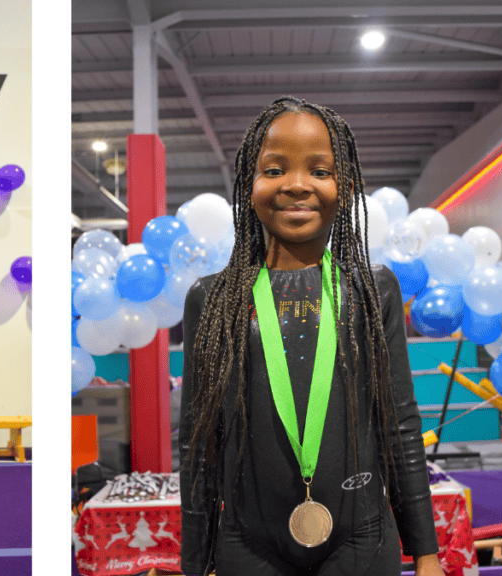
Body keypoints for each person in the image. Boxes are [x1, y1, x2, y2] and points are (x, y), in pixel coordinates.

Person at [178, 97, 444, 576]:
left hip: (360, 539)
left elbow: (399, 427)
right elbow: (200, 447)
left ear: (344, 186)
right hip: (250, 544)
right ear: (248, 183)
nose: (297, 185)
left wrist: (426, 554)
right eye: (275, 169)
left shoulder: (371, 291)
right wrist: (196, 564)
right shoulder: (212, 299)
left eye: (320, 170)